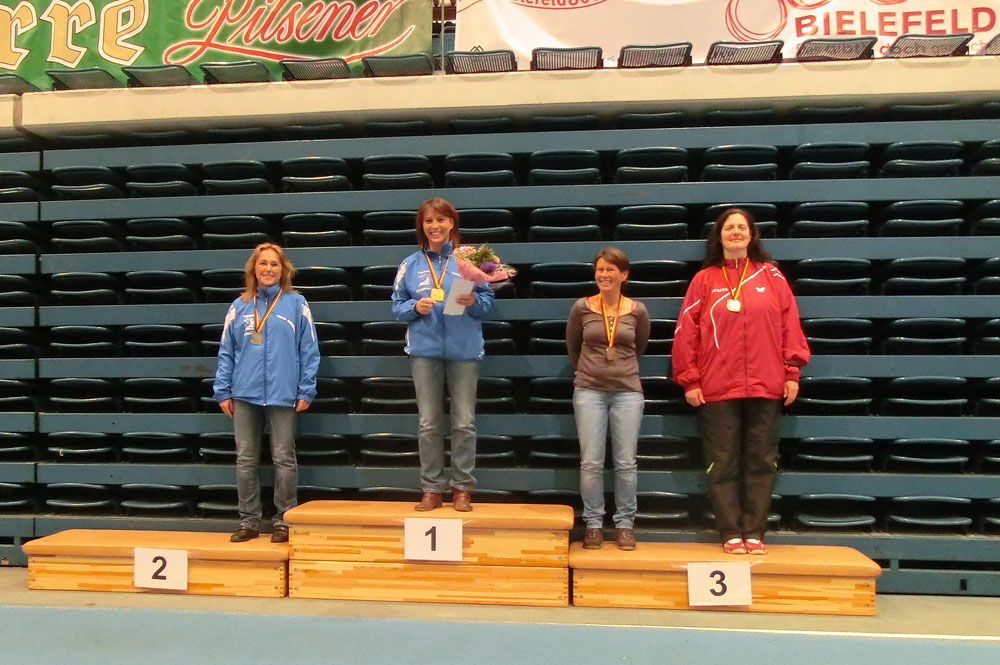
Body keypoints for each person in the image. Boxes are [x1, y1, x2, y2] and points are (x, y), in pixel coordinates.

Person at [672, 208, 810, 555]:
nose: (735, 231)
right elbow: (686, 332)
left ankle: (754, 531)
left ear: (751, 235)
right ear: (719, 236)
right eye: (729, 227)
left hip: (767, 382)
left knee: (761, 461)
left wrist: (792, 371)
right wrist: (690, 379)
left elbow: (790, 325)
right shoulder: (704, 280)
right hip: (717, 386)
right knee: (722, 462)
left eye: (741, 227)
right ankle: (730, 531)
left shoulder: (772, 276)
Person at [391, 198, 495, 512]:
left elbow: (487, 304)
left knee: (464, 423)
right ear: (421, 227)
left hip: (465, 351)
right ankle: (431, 489)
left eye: (441, 220)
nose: (435, 226)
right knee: (428, 424)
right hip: (424, 352)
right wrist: (414, 307)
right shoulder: (410, 264)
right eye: (429, 221)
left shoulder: (473, 260)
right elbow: (397, 306)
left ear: (452, 223)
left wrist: (471, 302)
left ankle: (462, 488)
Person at [214, 243, 319, 543]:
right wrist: (222, 390)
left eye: (274, 264)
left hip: (283, 393)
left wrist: (306, 389)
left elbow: (309, 349)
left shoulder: (296, 304)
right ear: (254, 268)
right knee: (246, 459)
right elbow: (226, 351)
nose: (268, 269)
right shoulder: (239, 306)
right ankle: (248, 521)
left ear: (283, 270)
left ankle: (284, 520)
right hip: (244, 394)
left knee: (284, 458)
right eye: (263, 263)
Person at [567, 248, 650, 551]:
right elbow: (573, 345)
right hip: (589, 391)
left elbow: (640, 345)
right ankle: (593, 523)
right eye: (600, 269)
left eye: (610, 270)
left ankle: (625, 524)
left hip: (628, 392)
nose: (604, 275)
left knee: (626, 463)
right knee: (591, 462)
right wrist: (586, 371)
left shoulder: (638, 310)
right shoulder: (582, 307)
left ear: (624, 275)